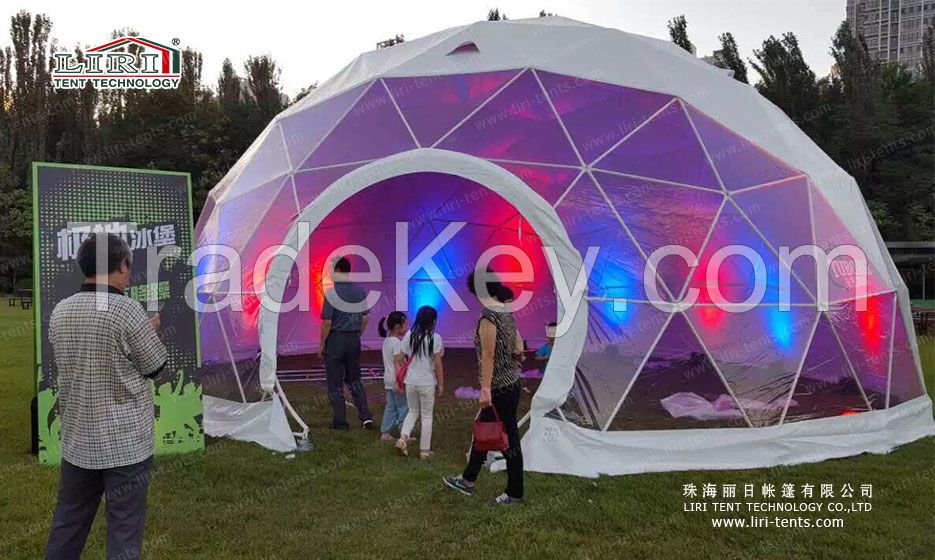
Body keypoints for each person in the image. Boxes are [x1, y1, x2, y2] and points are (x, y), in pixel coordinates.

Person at [45, 233, 167, 560]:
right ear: (122, 265)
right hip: (124, 444)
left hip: (77, 440)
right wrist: (147, 328)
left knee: (68, 522)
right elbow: (155, 366)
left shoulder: (61, 311)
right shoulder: (127, 310)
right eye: (129, 266)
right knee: (124, 530)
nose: (129, 274)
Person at [443, 272, 525, 505]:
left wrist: (485, 389)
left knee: (508, 439)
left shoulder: (488, 317)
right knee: (484, 432)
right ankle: (468, 480)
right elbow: (517, 340)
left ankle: (514, 492)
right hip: (511, 383)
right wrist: (516, 353)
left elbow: (487, 356)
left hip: (500, 387)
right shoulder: (505, 310)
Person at [320, 256, 375, 430]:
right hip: (353, 339)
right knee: (355, 379)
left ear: (337, 271)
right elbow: (365, 318)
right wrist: (358, 334)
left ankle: (340, 421)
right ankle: (365, 416)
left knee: (335, 383)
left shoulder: (332, 293)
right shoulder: (359, 292)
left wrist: (321, 343)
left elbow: (327, 322)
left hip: (336, 340)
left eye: (330, 270)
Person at [395, 305, 444, 460]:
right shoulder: (435, 338)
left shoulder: (409, 335)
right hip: (427, 382)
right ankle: (424, 451)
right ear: (433, 321)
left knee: (412, 411)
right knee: (427, 416)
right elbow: (437, 363)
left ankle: (403, 438)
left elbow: (399, 357)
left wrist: (403, 371)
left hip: (411, 381)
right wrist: (441, 384)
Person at [378, 311, 408, 441]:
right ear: (397, 326)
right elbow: (398, 364)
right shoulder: (396, 343)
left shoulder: (387, 341)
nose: (407, 327)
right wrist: (400, 382)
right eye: (405, 324)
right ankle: (404, 433)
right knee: (404, 407)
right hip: (396, 379)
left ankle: (385, 432)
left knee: (391, 406)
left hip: (388, 379)